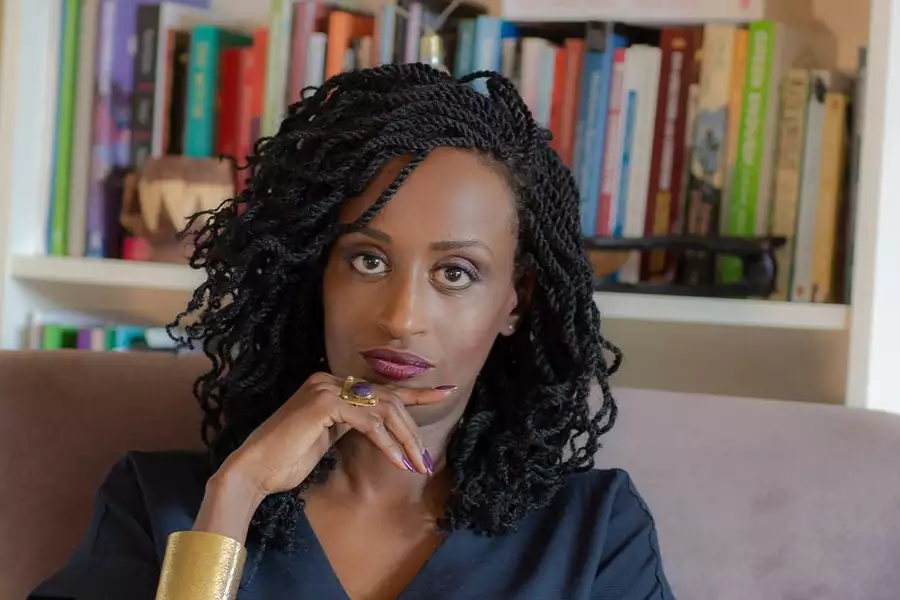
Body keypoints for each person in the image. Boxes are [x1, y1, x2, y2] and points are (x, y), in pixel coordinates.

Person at [30, 63, 674, 600]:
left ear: (515, 301)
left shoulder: (593, 533)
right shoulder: (160, 505)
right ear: (318, 275)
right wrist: (235, 496)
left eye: (455, 272)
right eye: (368, 260)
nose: (402, 316)